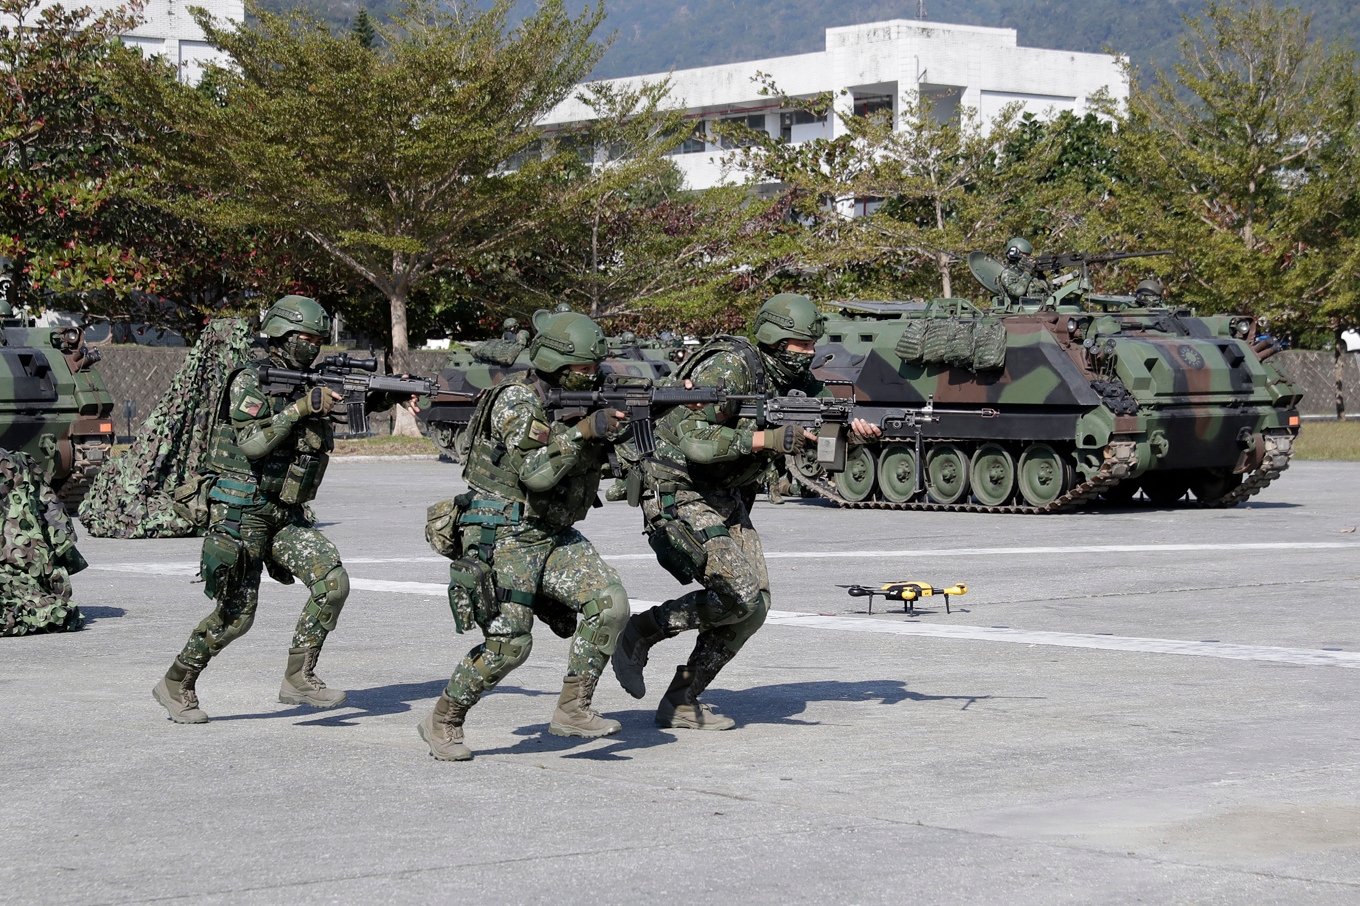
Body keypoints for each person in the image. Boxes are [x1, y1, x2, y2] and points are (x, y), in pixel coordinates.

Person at [610, 294, 879, 729]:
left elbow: (826, 413)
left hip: (724, 495)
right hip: (678, 488)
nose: (808, 354)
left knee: (754, 607)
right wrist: (772, 440)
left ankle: (681, 698)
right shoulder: (730, 366)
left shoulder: (789, 376)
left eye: (812, 346)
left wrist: (854, 429)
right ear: (774, 339)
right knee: (740, 593)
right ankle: (642, 631)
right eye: (800, 346)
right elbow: (696, 441)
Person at [152, 295, 415, 723]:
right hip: (241, 511)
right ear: (280, 333)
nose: (312, 346)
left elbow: (353, 404)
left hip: (284, 512)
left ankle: (298, 678)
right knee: (236, 617)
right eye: (305, 338)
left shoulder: (308, 379)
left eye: (317, 339)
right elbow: (252, 443)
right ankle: (176, 681)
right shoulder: (251, 380)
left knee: (333, 582)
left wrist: (390, 393)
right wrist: (301, 407)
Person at [418, 308, 631, 761]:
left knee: (610, 603)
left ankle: (573, 708)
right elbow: (535, 474)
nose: (592, 376)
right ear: (554, 362)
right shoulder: (517, 400)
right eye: (583, 370)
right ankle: (444, 719)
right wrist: (585, 431)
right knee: (510, 644)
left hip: (550, 532)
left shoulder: (577, 399)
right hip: (503, 531)